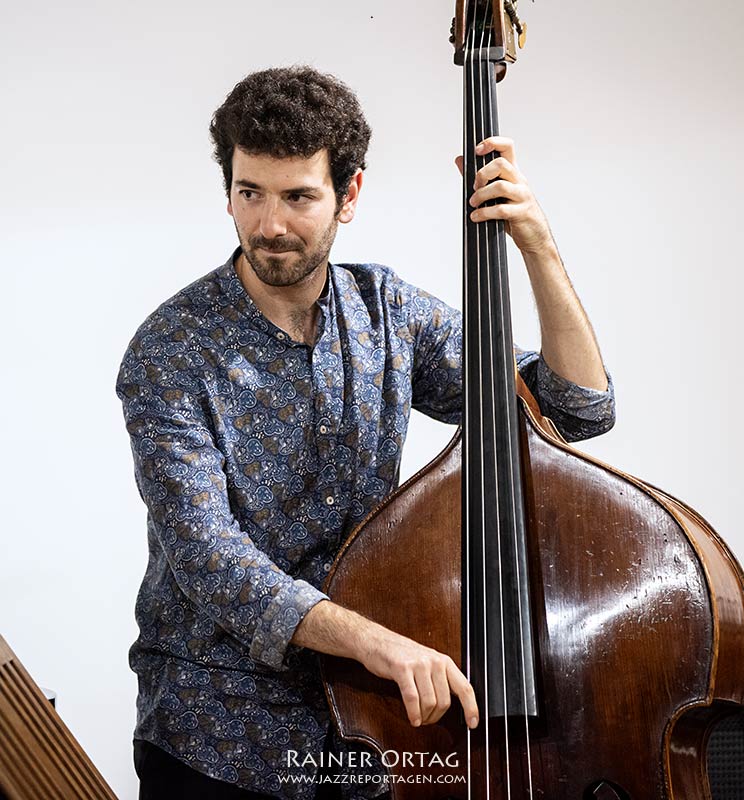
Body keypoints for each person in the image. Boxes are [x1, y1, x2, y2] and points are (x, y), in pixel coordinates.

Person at [116, 65, 615, 800]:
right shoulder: (169, 350)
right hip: (216, 739)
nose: (269, 225)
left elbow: (574, 409)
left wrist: (534, 244)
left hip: (370, 736)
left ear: (349, 195)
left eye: (298, 197)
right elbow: (210, 560)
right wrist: (379, 644)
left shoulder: (388, 314)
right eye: (249, 193)